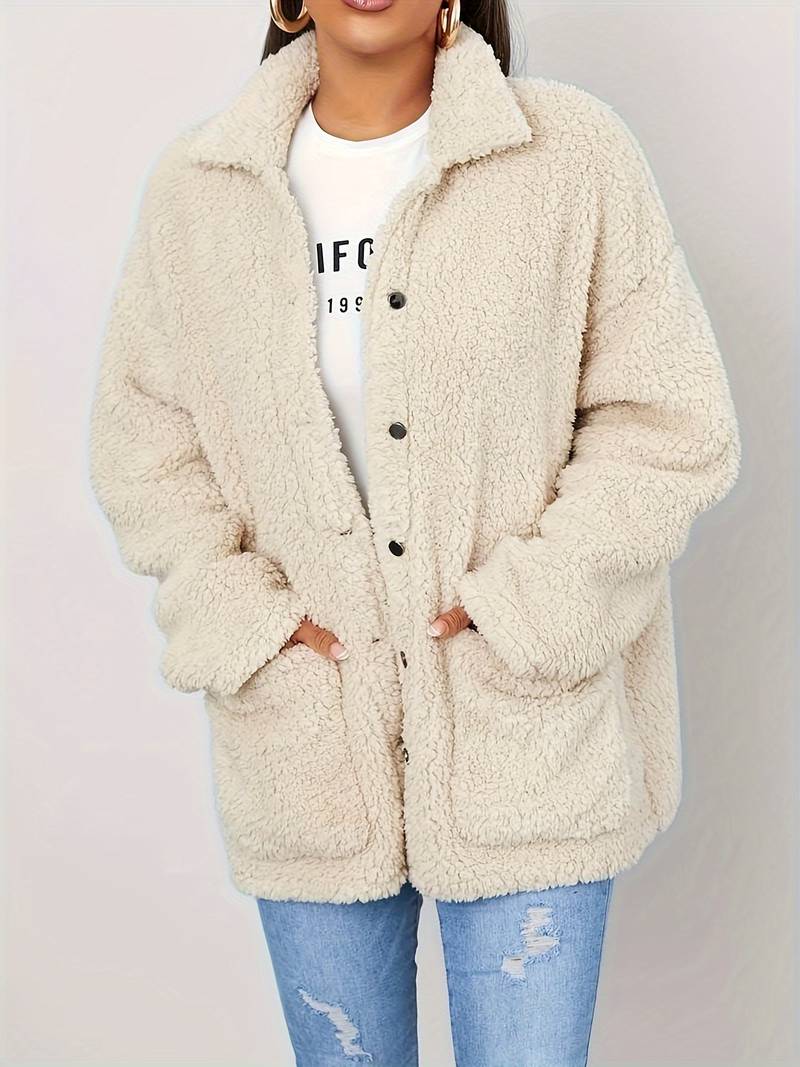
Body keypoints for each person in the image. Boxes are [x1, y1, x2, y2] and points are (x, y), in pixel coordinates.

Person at [87, 1, 741, 1063]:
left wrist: (530, 607)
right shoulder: (200, 194)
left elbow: (667, 423)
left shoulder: (567, 158)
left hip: (525, 739)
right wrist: (249, 623)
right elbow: (146, 447)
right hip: (307, 755)